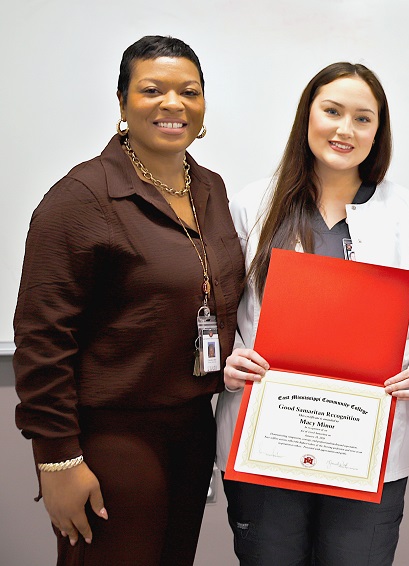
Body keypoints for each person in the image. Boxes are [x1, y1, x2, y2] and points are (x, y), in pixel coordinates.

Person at [13, 36, 244, 565]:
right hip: (111, 436)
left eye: (189, 91)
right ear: (122, 103)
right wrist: (56, 461)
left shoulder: (211, 188)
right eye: (151, 90)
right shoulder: (80, 197)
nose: (173, 104)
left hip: (192, 428)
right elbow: (42, 339)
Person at [214, 62, 409, 566]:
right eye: (332, 112)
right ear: (307, 116)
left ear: (378, 131)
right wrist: (230, 360)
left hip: (366, 442)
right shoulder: (253, 204)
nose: (345, 130)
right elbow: (222, 316)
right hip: (266, 438)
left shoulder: (406, 213)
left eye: (363, 118)